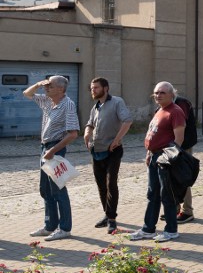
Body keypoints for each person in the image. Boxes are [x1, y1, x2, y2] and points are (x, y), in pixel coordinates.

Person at [24, 76, 80, 241]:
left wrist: (53, 151)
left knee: (58, 190)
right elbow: (27, 94)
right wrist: (37, 84)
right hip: (45, 148)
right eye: (46, 86)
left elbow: (73, 134)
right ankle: (50, 226)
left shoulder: (68, 104)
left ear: (61, 89)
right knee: (45, 190)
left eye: (50, 86)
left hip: (56, 149)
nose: (46, 88)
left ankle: (64, 228)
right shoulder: (47, 101)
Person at [129, 81, 185, 242]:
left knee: (166, 194)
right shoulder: (159, 110)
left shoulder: (175, 111)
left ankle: (171, 230)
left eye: (162, 93)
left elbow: (179, 139)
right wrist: (149, 152)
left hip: (165, 157)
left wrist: (168, 158)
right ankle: (148, 229)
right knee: (152, 194)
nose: (158, 95)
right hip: (154, 156)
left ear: (171, 95)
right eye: (156, 93)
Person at [84, 77, 132, 234]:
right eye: (92, 88)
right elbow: (90, 123)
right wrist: (86, 133)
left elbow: (127, 121)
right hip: (96, 150)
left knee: (111, 183)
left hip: (112, 150)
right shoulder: (96, 106)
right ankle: (106, 213)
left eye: (96, 88)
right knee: (101, 185)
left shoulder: (117, 102)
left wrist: (117, 140)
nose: (93, 90)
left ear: (106, 88)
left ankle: (112, 219)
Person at [171, 94, 197, 224]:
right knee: (171, 178)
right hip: (171, 146)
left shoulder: (181, 104)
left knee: (183, 177)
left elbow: (181, 124)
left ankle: (187, 211)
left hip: (182, 146)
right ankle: (174, 208)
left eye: (161, 93)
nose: (158, 96)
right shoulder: (168, 106)